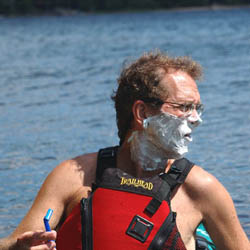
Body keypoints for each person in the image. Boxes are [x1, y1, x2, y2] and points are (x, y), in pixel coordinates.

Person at [0, 51, 249, 250]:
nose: (195, 119)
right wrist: (18, 248)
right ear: (141, 113)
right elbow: (15, 242)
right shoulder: (73, 178)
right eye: (183, 107)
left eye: (197, 108)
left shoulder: (202, 190)